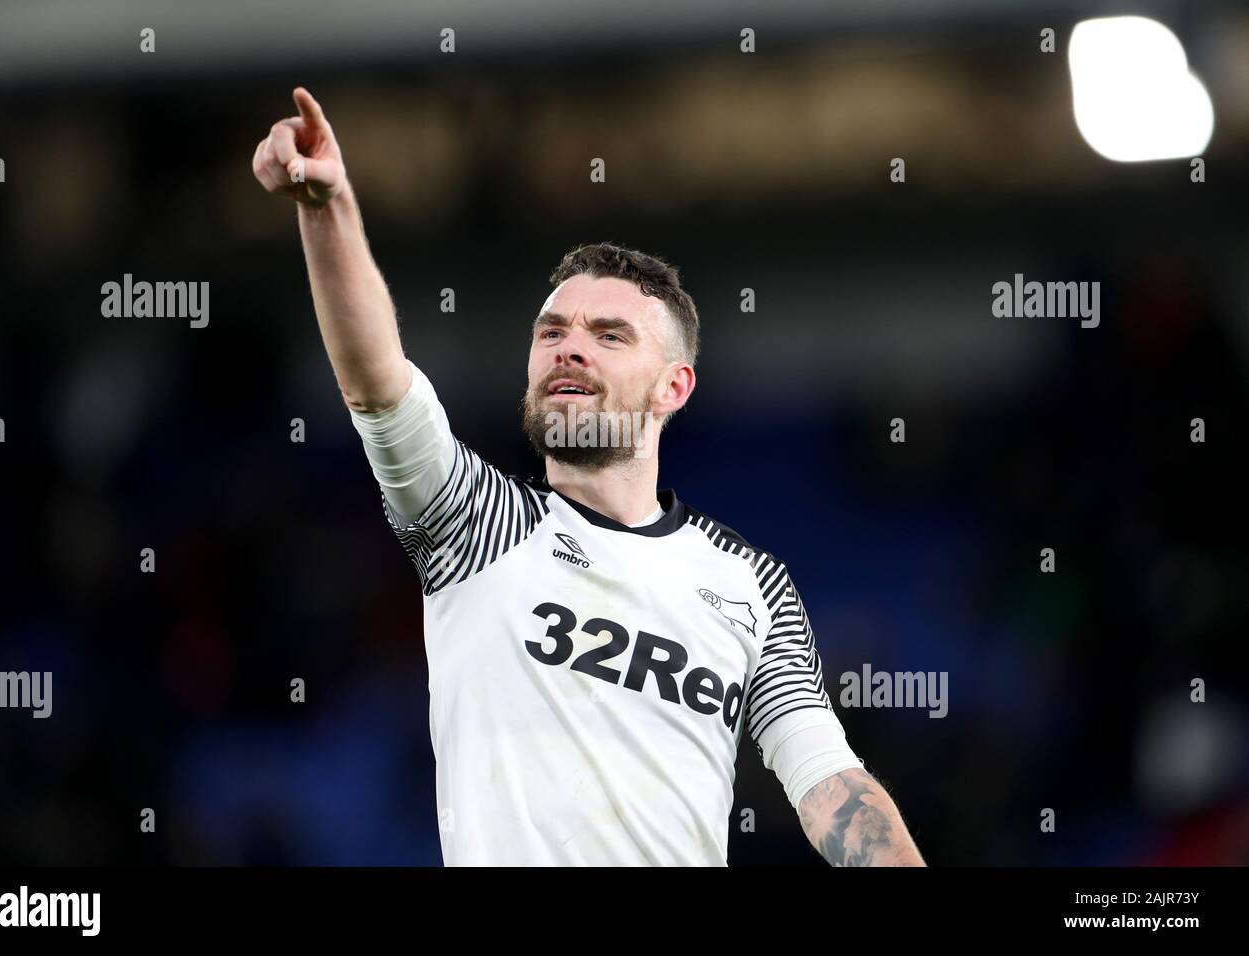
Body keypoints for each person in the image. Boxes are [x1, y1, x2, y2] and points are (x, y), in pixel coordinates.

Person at [251, 87, 926, 867]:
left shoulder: (752, 586)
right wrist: (326, 207)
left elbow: (830, 786)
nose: (569, 348)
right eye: (552, 332)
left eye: (609, 334)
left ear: (673, 388)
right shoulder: (476, 526)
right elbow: (376, 382)